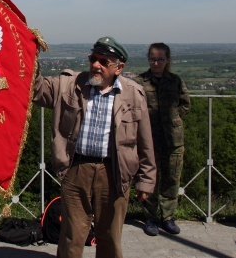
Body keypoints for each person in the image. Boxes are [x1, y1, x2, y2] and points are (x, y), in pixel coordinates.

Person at [33, 36, 156, 258]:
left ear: (119, 68)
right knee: (71, 235)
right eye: (93, 58)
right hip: (76, 169)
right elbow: (38, 89)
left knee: (109, 237)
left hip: (115, 173)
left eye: (104, 61)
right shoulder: (70, 84)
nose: (95, 65)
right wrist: (29, 58)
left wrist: (146, 179)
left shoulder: (133, 95)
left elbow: (145, 141)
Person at [134, 42, 190, 236]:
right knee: (150, 178)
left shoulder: (175, 81)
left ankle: (168, 217)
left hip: (173, 139)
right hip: (149, 139)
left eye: (160, 59)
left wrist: (173, 118)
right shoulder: (140, 82)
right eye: (153, 59)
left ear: (168, 60)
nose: (156, 63)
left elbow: (185, 104)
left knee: (172, 178)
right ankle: (150, 218)